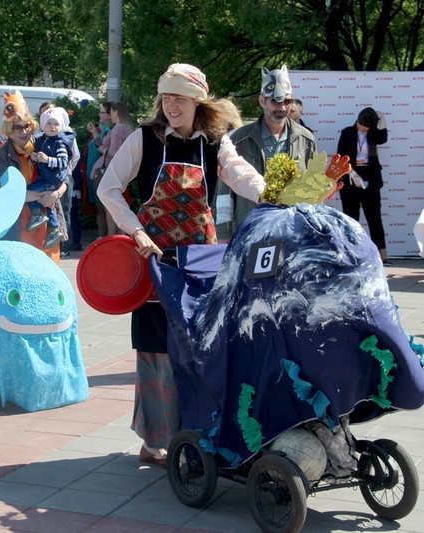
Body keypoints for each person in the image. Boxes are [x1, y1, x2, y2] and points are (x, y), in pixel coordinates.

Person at [97, 63, 266, 466]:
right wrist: (137, 231)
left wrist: (272, 194)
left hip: (199, 262)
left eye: (180, 99)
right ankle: (156, 441)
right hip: (154, 261)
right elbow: (108, 188)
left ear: (197, 102)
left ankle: (197, 435)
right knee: (156, 349)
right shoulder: (143, 139)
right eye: (167, 98)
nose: (172, 106)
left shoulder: (216, 143)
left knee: (198, 347)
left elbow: (240, 175)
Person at [215, 65, 317, 240]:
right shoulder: (239, 139)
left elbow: (313, 188)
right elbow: (224, 192)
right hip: (251, 231)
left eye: (287, 102)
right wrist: (223, 235)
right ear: (262, 101)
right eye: (275, 101)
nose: (282, 108)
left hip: (293, 232)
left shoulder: (306, 139)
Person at [0, 90, 68, 262]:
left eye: (27, 126)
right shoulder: (1, 155)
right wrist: (29, 195)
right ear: (8, 130)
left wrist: (56, 193)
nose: (24, 131)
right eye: (17, 128)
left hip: (48, 226)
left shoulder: (44, 144)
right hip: (19, 226)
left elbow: (65, 176)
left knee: (50, 270)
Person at [336, 107, 390, 265]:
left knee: (374, 218)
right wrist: (353, 175)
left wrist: (382, 118)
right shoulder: (347, 132)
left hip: (371, 180)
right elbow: (341, 157)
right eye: (361, 124)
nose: (363, 128)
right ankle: (351, 255)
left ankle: (382, 256)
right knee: (351, 219)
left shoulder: (373, 134)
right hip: (350, 179)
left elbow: (383, 138)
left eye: (366, 126)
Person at [28, 106, 75, 248]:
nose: (52, 126)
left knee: (29, 191)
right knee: (48, 204)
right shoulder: (43, 140)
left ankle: (37, 214)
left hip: (53, 179)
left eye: (56, 124)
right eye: (49, 123)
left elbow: (63, 162)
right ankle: (54, 228)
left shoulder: (60, 143)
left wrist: (47, 159)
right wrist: (35, 157)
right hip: (48, 177)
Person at [90, 102, 134, 237]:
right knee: (116, 205)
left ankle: (112, 237)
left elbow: (113, 152)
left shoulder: (118, 128)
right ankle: (120, 236)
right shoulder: (127, 128)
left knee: (109, 206)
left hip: (108, 170)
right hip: (119, 171)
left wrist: (103, 150)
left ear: (115, 112)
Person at [85, 102, 113, 237]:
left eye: (102, 112)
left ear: (110, 115)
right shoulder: (100, 130)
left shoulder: (111, 131)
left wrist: (95, 133)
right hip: (93, 175)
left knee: (105, 208)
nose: (99, 115)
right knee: (99, 209)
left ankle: (108, 238)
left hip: (103, 174)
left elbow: (104, 150)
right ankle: (103, 237)